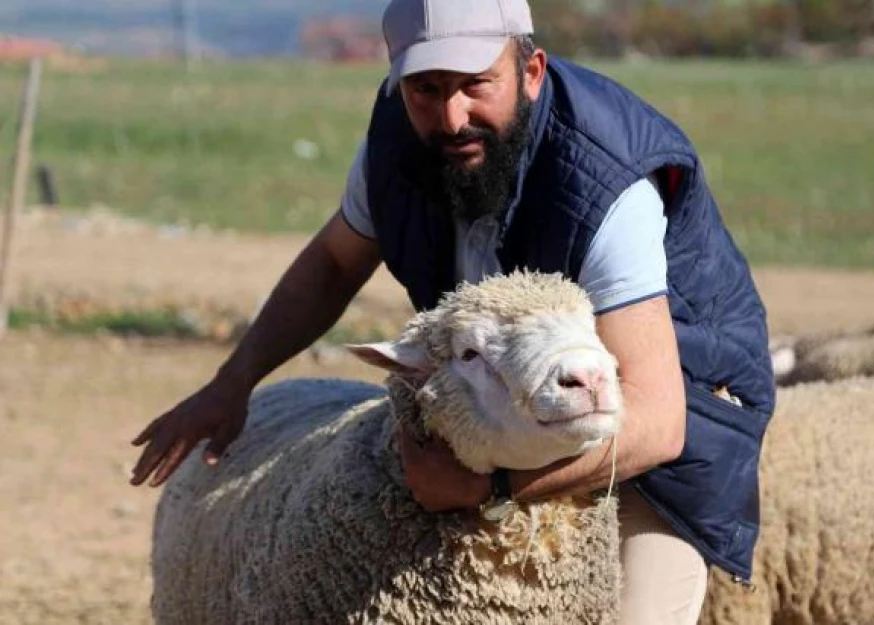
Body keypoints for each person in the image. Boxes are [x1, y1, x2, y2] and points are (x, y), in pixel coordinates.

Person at [128, 0, 777, 622]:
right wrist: (232, 380)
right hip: (502, 403)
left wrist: (489, 488)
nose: (451, 115)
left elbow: (659, 422)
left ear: (530, 70)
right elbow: (332, 265)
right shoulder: (400, 143)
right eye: (426, 90)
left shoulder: (606, 182)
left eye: (476, 84)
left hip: (658, 421)